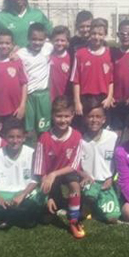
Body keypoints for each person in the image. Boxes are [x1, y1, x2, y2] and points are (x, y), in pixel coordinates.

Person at [0, 118, 45, 228]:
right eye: (11, 137)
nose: (15, 141)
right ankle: (17, 214)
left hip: (25, 192)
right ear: (5, 137)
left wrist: (22, 194)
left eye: (18, 137)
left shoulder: (31, 153)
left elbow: (35, 179)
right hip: (3, 193)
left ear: (24, 138)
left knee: (41, 196)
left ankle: (6, 215)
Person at [34, 96, 85, 239]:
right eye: (59, 116)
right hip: (50, 176)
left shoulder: (77, 136)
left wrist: (54, 174)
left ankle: (74, 221)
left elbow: (74, 166)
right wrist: (48, 195)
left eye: (66, 116)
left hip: (66, 172)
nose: (63, 120)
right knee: (45, 218)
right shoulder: (44, 138)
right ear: (52, 115)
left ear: (72, 115)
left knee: (74, 185)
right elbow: (40, 168)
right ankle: (55, 201)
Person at [78, 97, 121, 223]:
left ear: (104, 119)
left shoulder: (113, 137)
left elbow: (119, 162)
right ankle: (88, 204)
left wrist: (111, 178)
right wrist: (83, 175)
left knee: (112, 218)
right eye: (91, 116)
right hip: (89, 182)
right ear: (85, 118)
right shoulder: (80, 140)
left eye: (98, 116)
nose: (94, 120)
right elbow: (75, 165)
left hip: (106, 182)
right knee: (90, 196)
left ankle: (97, 205)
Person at [71, 18, 114, 116]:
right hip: (85, 98)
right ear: (90, 34)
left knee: (102, 123)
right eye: (94, 33)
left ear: (105, 35)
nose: (96, 37)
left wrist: (109, 97)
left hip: (103, 98)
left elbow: (111, 80)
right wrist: (77, 102)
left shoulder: (109, 54)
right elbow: (76, 81)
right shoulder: (80, 53)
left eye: (100, 34)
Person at [17, 23, 54, 137]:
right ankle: (29, 146)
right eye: (34, 39)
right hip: (28, 96)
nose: (37, 42)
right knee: (29, 130)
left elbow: (63, 43)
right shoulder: (20, 53)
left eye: (40, 40)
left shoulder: (48, 47)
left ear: (45, 39)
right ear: (28, 38)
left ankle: (43, 146)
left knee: (44, 129)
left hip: (43, 95)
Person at [0, 30, 28, 120]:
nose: (4, 46)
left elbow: (24, 83)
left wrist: (22, 106)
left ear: (12, 45)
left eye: (7, 43)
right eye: (1, 43)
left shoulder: (18, 61)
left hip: (16, 110)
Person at [49, 26, 72, 101]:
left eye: (62, 41)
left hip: (66, 97)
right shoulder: (48, 56)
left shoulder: (71, 58)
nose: (59, 43)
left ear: (68, 42)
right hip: (51, 97)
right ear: (52, 41)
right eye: (57, 40)